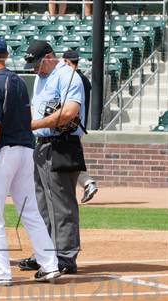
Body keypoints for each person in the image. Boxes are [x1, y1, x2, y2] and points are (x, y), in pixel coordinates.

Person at [0, 36, 60, 286]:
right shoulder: (19, 81)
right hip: (25, 150)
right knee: (30, 211)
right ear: (6, 55)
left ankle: (0, 272)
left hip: (3, 153)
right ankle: (50, 265)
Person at [19, 40, 85, 274]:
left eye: (37, 64)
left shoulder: (68, 76)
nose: (35, 69)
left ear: (48, 57)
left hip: (63, 144)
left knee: (62, 203)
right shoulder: (41, 77)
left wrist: (33, 124)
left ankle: (65, 255)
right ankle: (45, 253)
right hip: (42, 144)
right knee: (41, 204)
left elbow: (69, 113)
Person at [63, 49, 98, 203]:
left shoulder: (72, 79)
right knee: (69, 159)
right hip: (78, 125)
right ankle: (86, 183)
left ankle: (87, 183)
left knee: (68, 160)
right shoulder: (83, 79)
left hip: (68, 126)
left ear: (67, 61)